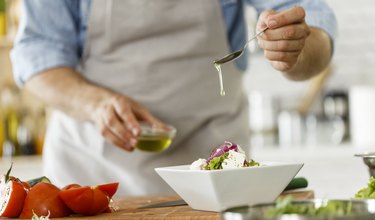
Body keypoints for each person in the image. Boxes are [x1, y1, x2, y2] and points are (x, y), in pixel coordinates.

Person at [11, 0, 336, 196]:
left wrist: (294, 47)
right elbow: (36, 53)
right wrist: (95, 104)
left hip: (216, 178)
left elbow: (315, 28)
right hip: (91, 176)